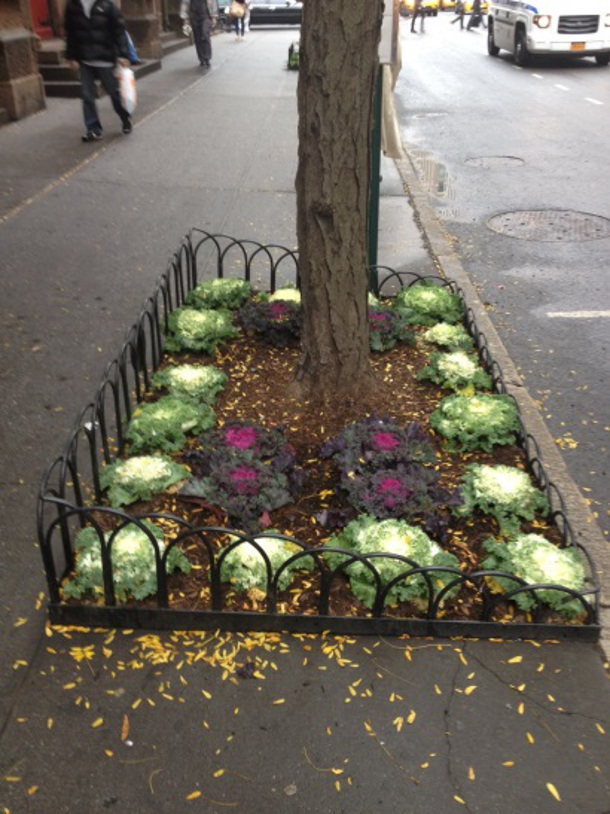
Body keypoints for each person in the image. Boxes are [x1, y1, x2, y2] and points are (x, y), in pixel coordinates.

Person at [64, 0, 133, 142]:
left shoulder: (107, 5)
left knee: (115, 94)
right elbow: (71, 33)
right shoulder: (72, 6)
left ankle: (125, 117)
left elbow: (119, 31)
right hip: (84, 59)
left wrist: (123, 55)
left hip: (105, 58)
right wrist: (71, 57)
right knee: (87, 96)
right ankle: (93, 129)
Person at [180, 0, 218, 67]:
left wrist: (214, 16)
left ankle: (207, 58)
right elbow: (185, 3)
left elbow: (213, 2)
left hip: (205, 16)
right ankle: (201, 58)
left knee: (205, 34)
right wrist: (185, 18)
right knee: (197, 37)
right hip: (194, 16)